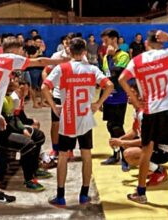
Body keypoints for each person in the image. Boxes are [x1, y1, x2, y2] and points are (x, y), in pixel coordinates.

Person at [0, 37, 68, 204]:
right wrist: (63, 60)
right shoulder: (10, 58)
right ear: (14, 50)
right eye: (21, 51)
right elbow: (40, 61)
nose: (23, 54)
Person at [119, 30, 168, 208]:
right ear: (160, 43)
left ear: (146, 44)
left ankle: (140, 193)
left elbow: (122, 79)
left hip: (149, 110)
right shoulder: (167, 54)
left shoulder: (137, 60)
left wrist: (136, 102)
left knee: (146, 151)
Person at [42, 38, 114, 207]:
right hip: (85, 117)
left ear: (69, 52)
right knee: (86, 155)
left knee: (62, 157)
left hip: (68, 118)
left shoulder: (62, 68)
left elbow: (45, 87)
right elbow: (109, 85)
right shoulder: (92, 69)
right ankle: (83, 194)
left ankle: (61, 196)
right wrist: (98, 103)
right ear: (84, 53)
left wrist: (54, 106)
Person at [109, 83, 168, 186]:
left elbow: (146, 140)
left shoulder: (144, 113)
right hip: (155, 146)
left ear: (139, 96)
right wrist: (120, 139)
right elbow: (134, 131)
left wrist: (121, 142)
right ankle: (152, 169)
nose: (128, 95)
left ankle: (159, 171)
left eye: (131, 93)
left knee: (128, 154)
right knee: (127, 146)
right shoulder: (137, 110)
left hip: (163, 151)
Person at [41, 33, 79, 160]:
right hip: (58, 94)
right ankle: (55, 148)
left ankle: (70, 149)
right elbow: (45, 71)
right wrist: (49, 87)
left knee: (72, 124)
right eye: (67, 42)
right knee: (56, 124)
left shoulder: (81, 58)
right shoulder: (57, 56)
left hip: (73, 96)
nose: (68, 45)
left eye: (71, 43)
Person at [99, 29, 131, 172]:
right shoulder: (106, 57)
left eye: (106, 41)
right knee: (110, 126)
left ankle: (126, 157)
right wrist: (101, 99)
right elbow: (105, 79)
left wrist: (111, 57)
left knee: (118, 126)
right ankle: (115, 154)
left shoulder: (123, 56)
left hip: (119, 97)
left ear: (114, 40)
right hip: (109, 98)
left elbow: (115, 74)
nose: (104, 44)